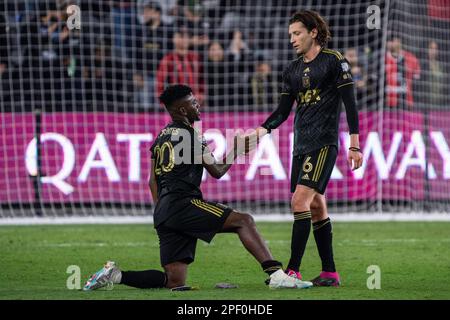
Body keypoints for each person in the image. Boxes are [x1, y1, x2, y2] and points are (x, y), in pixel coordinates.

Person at [83, 84, 313, 291]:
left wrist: (161, 209)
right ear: (182, 111)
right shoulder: (192, 136)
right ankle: (276, 274)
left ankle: (115, 275)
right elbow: (217, 171)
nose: (198, 105)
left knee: (174, 281)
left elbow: (151, 181)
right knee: (244, 221)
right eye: (193, 103)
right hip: (183, 204)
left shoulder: (161, 137)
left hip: (164, 210)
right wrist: (236, 150)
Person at [254, 10, 363, 287]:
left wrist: (354, 144)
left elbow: (350, 103)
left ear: (313, 32)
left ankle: (292, 271)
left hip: (324, 143)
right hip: (300, 144)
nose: (292, 39)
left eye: (297, 33)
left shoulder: (334, 61)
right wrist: (262, 129)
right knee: (315, 206)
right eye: (290, 34)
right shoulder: (291, 69)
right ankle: (330, 272)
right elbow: (282, 110)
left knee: (298, 201)